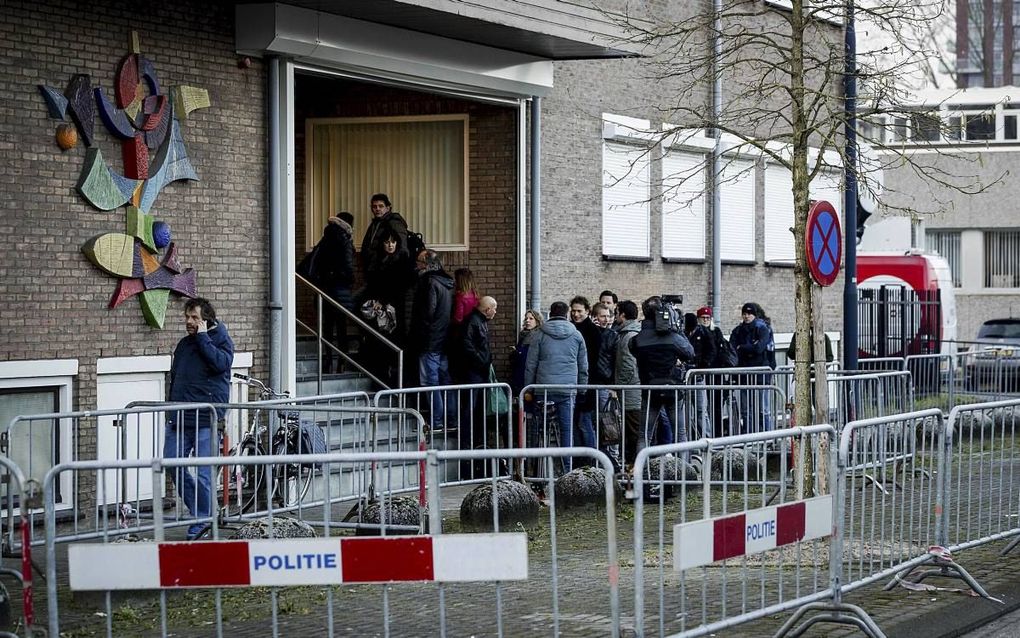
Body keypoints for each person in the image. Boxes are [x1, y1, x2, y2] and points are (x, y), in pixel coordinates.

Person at [165, 298, 234, 540]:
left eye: (194, 317)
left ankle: (202, 522)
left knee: (205, 474)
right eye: (187, 317)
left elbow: (220, 364)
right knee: (171, 463)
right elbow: (177, 378)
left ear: (206, 320)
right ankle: (202, 513)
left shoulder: (220, 340)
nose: (188, 322)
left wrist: (204, 337)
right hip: (180, 416)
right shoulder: (184, 344)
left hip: (206, 417)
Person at [524, 301, 588, 472]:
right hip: (567, 390)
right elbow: (583, 367)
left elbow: (531, 365)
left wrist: (528, 388)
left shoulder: (539, 335)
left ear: (550, 314)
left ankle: (540, 471)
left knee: (541, 430)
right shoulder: (576, 335)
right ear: (567, 314)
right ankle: (567, 470)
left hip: (543, 389)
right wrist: (582, 389)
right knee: (566, 430)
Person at [629, 296, 695, 459]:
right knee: (680, 434)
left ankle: (642, 476)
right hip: (672, 389)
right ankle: (684, 476)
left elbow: (633, 349)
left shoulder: (638, 340)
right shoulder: (673, 338)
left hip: (649, 390)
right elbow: (690, 353)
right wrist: (678, 330)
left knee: (644, 436)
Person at [410, 249, 455, 429]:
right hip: (444, 340)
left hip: (429, 341)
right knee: (445, 381)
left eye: (419, 262)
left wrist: (418, 337)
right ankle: (450, 418)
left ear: (427, 265)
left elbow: (426, 313)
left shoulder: (428, 282)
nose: (417, 265)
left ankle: (436, 421)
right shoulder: (447, 283)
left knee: (430, 382)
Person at [312, 212, 355, 373]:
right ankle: (342, 362)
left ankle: (327, 360)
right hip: (339, 289)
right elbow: (349, 268)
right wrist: (349, 281)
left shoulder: (325, 239)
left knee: (327, 327)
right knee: (341, 327)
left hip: (323, 289)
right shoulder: (345, 241)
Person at [730, 302, 776, 432]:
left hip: (761, 374)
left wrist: (743, 347)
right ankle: (749, 437)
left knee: (763, 409)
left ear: (754, 315)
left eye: (749, 314)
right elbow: (732, 349)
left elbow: (760, 348)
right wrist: (751, 346)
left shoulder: (762, 328)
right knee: (747, 410)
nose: (746, 316)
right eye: (744, 314)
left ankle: (768, 437)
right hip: (745, 374)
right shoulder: (738, 330)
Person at [364, 227, 413, 341]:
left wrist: (383, 300)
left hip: (394, 306)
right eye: (387, 242)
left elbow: (400, 286)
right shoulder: (378, 261)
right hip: (378, 306)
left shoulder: (402, 261)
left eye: (393, 242)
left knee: (393, 335)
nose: (391, 245)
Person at [614, 300, 643, 467]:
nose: (615, 315)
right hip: (632, 389)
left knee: (633, 430)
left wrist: (619, 386)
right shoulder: (627, 334)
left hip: (631, 391)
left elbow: (629, 366)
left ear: (623, 315)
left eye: (616, 312)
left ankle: (633, 466)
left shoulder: (628, 336)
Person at [570, 296, 601, 452]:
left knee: (584, 422)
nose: (576, 314)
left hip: (587, 383)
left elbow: (593, 360)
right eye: (573, 311)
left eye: (579, 311)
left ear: (587, 311)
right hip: (575, 382)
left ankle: (590, 457)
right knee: (576, 423)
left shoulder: (593, 331)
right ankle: (580, 458)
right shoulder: (572, 328)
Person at [697, 306, 731, 436]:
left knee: (715, 405)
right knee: (702, 407)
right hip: (701, 374)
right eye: (703, 318)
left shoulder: (716, 332)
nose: (705, 320)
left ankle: (717, 433)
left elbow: (719, 352)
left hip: (716, 373)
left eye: (707, 318)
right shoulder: (697, 332)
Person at [359, 193, 409, 279]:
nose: (377, 209)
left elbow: (402, 248)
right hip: (374, 270)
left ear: (388, 208)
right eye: (374, 206)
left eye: (381, 206)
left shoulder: (394, 222)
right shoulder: (376, 223)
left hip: (386, 272)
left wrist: (390, 267)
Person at [684, 312, 717, 438]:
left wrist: (703, 366)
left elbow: (711, 351)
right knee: (686, 412)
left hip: (698, 376)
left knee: (701, 410)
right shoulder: (683, 333)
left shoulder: (703, 333)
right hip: (685, 377)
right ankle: (687, 441)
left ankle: (706, 439)